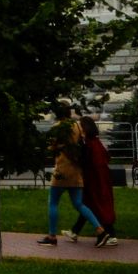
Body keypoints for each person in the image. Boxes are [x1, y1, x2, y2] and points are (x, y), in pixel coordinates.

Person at [38, 101, 99, 247]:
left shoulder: (57, 127)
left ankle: (52, 236)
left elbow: (51, 147)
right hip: (76, 170)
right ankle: (99, 228)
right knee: (79, 204)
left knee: (53, 203)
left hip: (62, 170)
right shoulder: (77, 126)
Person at [71, 115, 121, 247]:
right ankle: (75, 231)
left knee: (95, 205)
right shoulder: (96, 143)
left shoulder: (89, 145)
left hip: (94, 180)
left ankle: (110, 234)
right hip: (101, 179)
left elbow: (87, 162)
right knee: (90, 205)